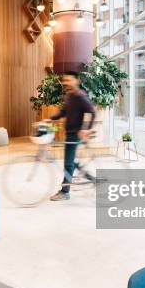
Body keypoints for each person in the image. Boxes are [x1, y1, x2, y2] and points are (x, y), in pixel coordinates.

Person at [47, 71, 96, 201]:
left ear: (76, 81)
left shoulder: (80, 96)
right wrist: (49, 119)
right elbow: (62, 112)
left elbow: (92, 111)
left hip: (75, 134)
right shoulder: (69, 96)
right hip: (69, 134)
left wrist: (86, 129)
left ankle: (65, 192)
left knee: (68, 164)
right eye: (64, 80)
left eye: (69, 80)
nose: (66, 83)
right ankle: (93, 180)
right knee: (72, 162)